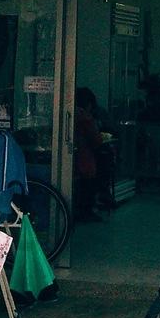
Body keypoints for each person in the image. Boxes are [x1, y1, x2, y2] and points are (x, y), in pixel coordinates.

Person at [72, 86, 105, 221]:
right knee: (88, 183)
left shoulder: (69, 113)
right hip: (84, 158)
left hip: (75, 156)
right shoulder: (85, 118)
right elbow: (96, 139)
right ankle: (87, 211)